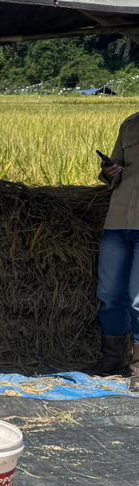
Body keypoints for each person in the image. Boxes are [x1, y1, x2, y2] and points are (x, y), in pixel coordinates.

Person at [93, 116, 139, 388]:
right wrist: (110, 171)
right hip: (119, 220)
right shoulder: (130, 125)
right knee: (109, 295)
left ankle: (137, 366)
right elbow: (113, 168)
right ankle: (112, 358)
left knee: (137, 300)